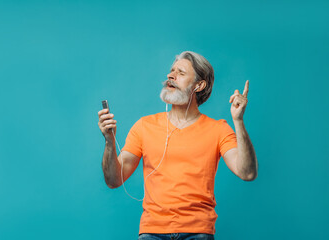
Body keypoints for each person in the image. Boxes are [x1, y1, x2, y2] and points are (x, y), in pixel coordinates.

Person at [98, 51, 258, 240]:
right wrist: (109, 142)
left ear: (199, 85)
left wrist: (238, 121)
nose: (170, 76)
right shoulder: (144, 126)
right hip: (152, 233)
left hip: (198, 233)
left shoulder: (218, 129)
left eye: (180, 73)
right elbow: (113, 180)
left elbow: (247, 173)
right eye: (171, 71)